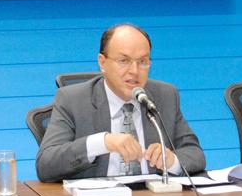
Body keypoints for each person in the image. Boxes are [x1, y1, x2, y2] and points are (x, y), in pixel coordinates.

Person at [36, 23, 206, 182]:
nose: (134, 71)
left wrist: (172, 161)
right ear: (102, 63)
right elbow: (46, 164)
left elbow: (195, 153)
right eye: (123, 61)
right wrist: (103, 142)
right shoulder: (72, 99)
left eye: (142, 62)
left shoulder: (165, 96)